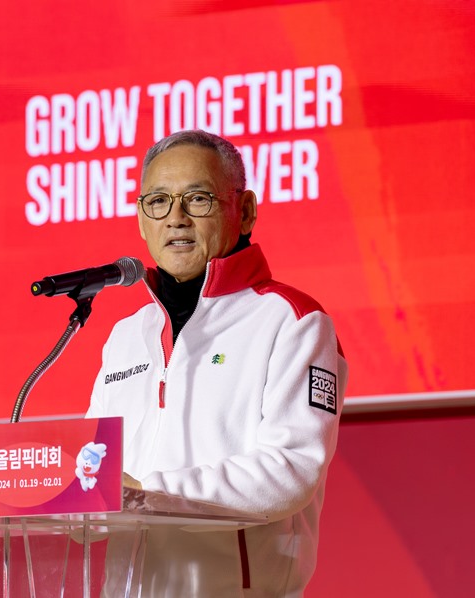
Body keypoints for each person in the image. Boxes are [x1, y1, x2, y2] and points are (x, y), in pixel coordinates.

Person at [86, 129, 347, 597]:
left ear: (244, 211)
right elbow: (93, 470)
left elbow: (289, 469)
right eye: (158, 201)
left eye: (198, 199)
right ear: (142, 220)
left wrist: (147, 494)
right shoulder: (127, 336)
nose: (176, 218)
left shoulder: (292, 320)